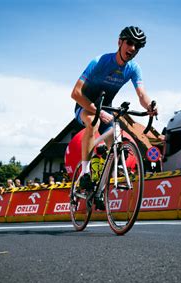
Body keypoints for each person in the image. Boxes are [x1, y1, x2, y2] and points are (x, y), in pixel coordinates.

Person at [71, 26, 157, 189]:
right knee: (93, 123)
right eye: (129, 43)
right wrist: (99, 112)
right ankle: (85, 173)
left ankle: (102, 188)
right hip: (85, 105)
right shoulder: (100, 61)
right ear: (120, 42)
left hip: (106, 108)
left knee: (116, 141)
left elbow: (141, 95)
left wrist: (150, 105)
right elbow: (75, 93)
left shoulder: (133, 69)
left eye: (137, 46)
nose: (132, 48)